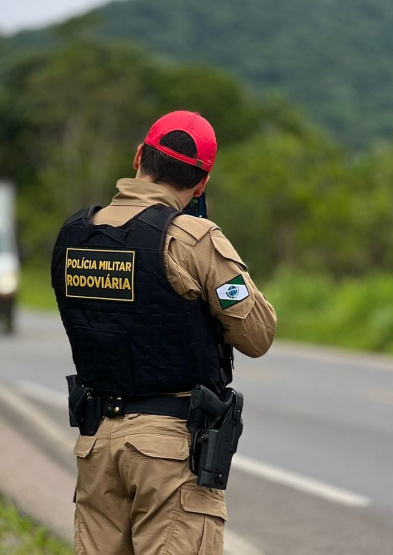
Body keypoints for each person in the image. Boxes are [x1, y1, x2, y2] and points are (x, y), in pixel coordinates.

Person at [51, 111, 276, 554]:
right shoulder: (194, 239)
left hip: (96, 446)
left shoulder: (75, 235)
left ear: (139, 156)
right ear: (201, 183)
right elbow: (257, 335)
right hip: (168, 451)